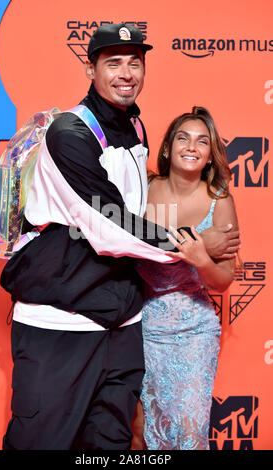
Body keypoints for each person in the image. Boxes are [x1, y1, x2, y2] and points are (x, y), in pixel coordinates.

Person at [0, 23, 239, 450]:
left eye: (135, 62)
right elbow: (111, 225)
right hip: (61, 322)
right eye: (113, 63)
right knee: (42, 440)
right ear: (91, 69)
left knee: (111, 443)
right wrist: (193, 246)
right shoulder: (70, 134)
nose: (126, 73)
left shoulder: (136, 128)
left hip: (124, 324)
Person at [133, 106, 239, 450]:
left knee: (190, 433)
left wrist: (201, 260)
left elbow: (222, 280)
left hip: (195, 331)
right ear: (167, 149)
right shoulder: (143, 190)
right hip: (142, 328)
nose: (191, 147)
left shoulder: (219, 202)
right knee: (144, 432)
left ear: (210, 155)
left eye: (202, 141)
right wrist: (194, 241)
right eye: (183, 138)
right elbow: (125, 243)